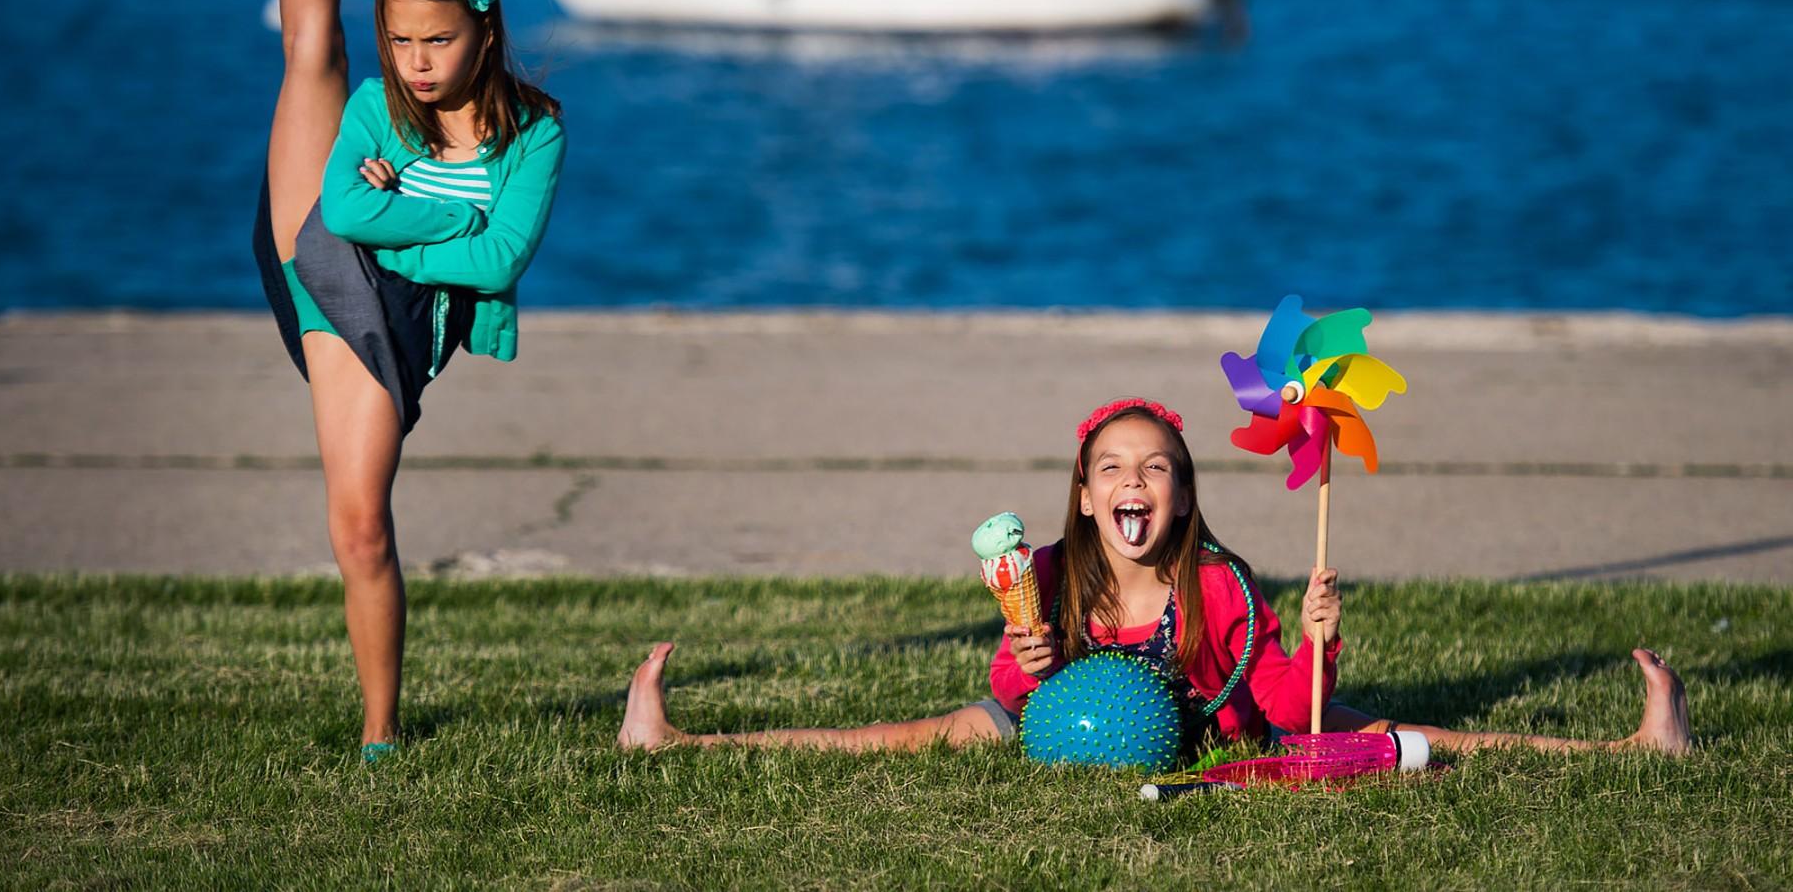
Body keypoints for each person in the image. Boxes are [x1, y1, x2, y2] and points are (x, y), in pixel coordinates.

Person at [617, 399, 1690, 758]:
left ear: (1182, 495)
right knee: (911, 732)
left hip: (1222, 736)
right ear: (1084, 496)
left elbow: (1273, 708)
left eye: (1158, 469)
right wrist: (1029, 659)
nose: (1136, 483)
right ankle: (681, 736)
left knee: (1391, 734)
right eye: (1113, 470)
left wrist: (1310, 647)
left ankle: (1632, 743)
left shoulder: (1220, 584)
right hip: (1060, 725)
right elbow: (1014, 685)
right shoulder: (1041, 571)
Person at [253, 0, 566, 760]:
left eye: (436, 41)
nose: (416, 64)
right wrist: (450, 217)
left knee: (359, 527)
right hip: (331, 271)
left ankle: (381, 731)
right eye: (399, 41)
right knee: (309, 47)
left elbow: (501, 263)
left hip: (390, 322)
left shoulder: (535, 131)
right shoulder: (382, 108)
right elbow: (344, 217)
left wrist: (410, 224)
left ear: (483, 31)